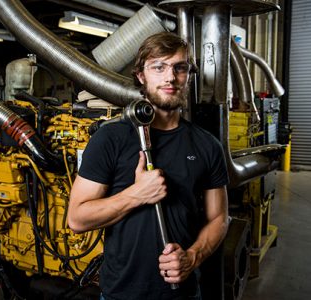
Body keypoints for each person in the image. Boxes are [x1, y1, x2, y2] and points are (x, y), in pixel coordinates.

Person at [67, 32, 229, 300]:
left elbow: (219, 218)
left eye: (180, 67)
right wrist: (136, 194)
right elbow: (77, 218)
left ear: (189, 75)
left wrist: (191, 257)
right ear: (141, 76)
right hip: (122, 293)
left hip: (184, 293)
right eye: (158, 67)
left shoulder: (207, 146)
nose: (169, 77)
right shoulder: (110, 138)